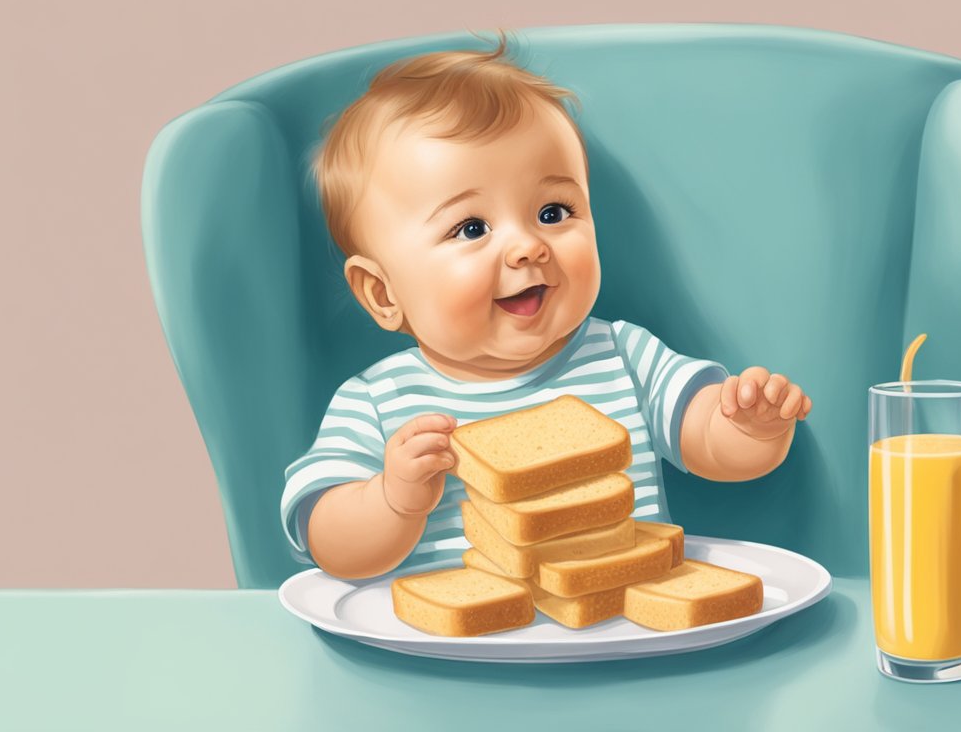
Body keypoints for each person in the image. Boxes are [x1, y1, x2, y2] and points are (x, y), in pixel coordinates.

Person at [282, 33, 812, 580]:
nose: (529, 246)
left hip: (623, 630)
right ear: (383, 293)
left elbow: (710, 445)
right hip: (457, 655)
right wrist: (393, 500)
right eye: (471, 228)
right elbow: (331, 546)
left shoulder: (624, 356)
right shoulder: (376, 403)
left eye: (554, 212)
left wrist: (751, 428)